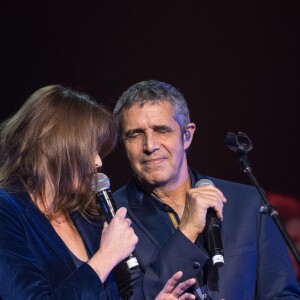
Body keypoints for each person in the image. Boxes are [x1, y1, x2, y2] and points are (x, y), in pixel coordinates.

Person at [0, 84, 196, 300]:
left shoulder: (83, 215)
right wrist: (107, 256)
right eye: (89, 150)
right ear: (51, 144)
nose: (97, 161)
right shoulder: (7, 211)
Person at [112, 79, 300, 299]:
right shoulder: (112, 215)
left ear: (187, 135)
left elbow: (282, 295)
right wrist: (188, 229)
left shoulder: (246, 202)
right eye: (135, 135)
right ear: (122, 143)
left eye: (162, 130)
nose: (150, 146)